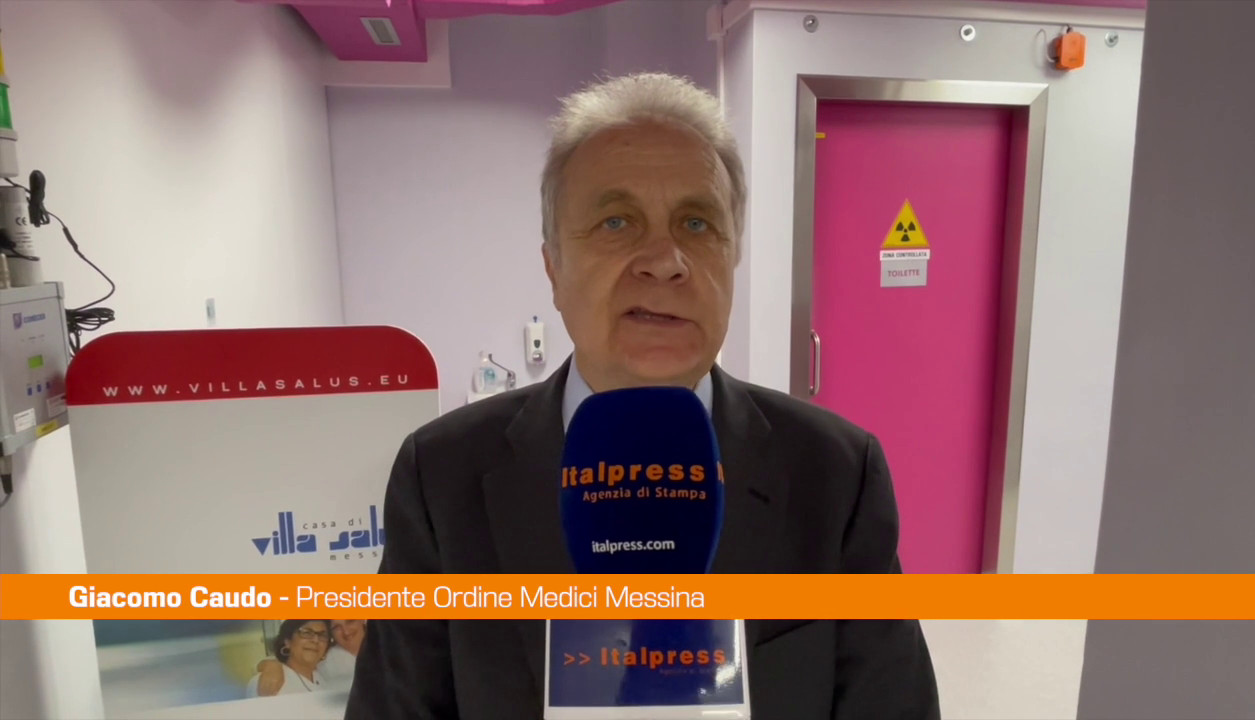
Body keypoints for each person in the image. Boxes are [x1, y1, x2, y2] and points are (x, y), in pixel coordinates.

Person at [345, 72, 940, 719]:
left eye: (697, 223)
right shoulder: (443, 475)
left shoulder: (836, 472)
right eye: (617, 222)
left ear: (733, 257)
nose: (665, 260)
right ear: (553, 266)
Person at [253, 619, 366, 695]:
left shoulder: (319, 681)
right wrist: (271, 665)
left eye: (350, 621)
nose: (346, 631)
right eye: (306, 633)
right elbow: (297, 662)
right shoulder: (328, 660)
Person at [246, 620, 331, 697]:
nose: (315, 640)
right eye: (306, 633)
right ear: (287, 642)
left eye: (322, 635)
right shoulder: (267, 682)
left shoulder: (325, 679)